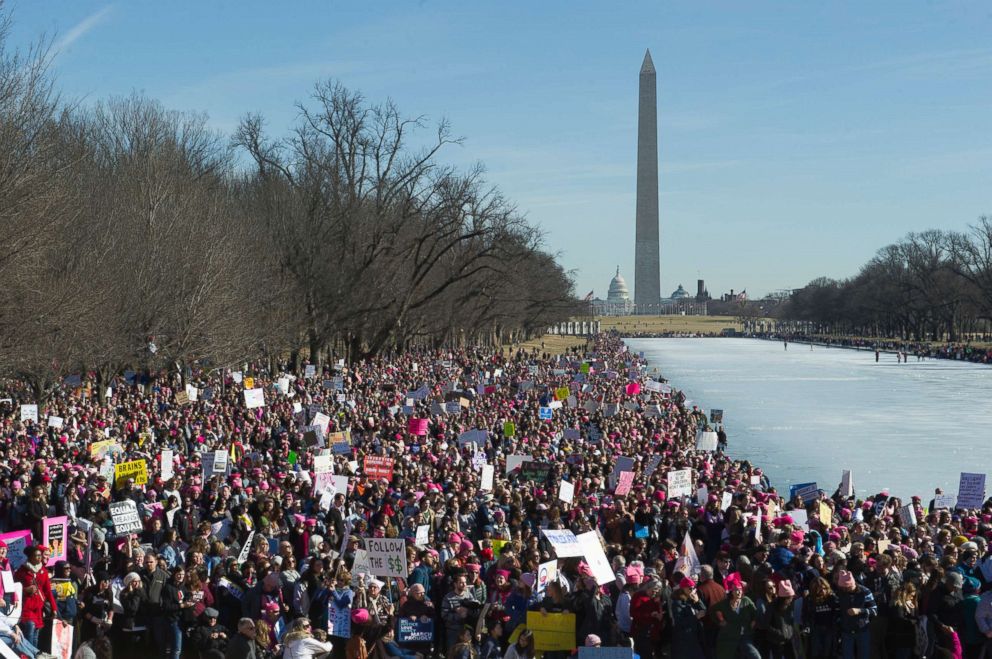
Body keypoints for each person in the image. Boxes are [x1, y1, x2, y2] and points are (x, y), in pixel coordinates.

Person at [14, 545, 57, 649]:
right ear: (30, 557)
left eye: (40, 555)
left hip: (38, 608)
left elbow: (48, 591)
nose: (39, 558)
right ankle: (29, 655)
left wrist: (54, 608)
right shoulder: (21, 571)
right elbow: (14, 589)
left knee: (36, 636)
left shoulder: (43, 571)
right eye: (36, 556)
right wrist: (25, 590)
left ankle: (34, 655)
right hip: (26, 608)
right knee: (30, 630)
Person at [711, 572, 759, 659]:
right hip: (728, 638)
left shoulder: (746, 601)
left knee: (756, 656)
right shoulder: (724, 604)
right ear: (731, 592)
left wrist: (754, 622)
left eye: (740, 589)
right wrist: (720, 620)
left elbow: (756, 613)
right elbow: (713, 611)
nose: (739, 592)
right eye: (736, 590)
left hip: (745, 636)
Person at [835, 569, 877, 659]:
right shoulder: (840, 593)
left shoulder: (865, 591)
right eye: (842, 588)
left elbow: (874, 610)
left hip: (862, 629)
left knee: (864, 655)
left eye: (846, 588)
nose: (844, 590)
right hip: (846, 630)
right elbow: (837, 609)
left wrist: (860, 611)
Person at [668, 577, 706, 659]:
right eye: (690, 588)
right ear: (683, 589)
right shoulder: (677, 602)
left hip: (694, 637)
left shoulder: (692, 599)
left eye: (693, 588)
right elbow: (679, 622)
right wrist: (695, 617)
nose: (692, 590)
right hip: (683, 640)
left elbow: (704, 611)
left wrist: (698, 601)